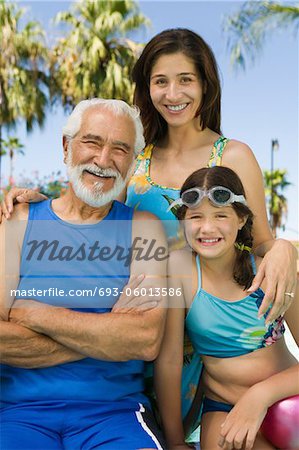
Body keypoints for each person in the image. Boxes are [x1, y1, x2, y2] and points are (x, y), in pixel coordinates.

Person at [2, 28, 296, 322]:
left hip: (204, 328)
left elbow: (259, 242)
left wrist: (283, 248)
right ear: (147, 87)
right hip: (139, 318)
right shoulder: (134, 158)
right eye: (160, 81)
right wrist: (48, 204)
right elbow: (100, 217)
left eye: (186, 80)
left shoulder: (235, 156)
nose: (172, 94)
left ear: (205, 85)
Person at [0, 98, 168, 450]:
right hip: (17, 413)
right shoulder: (18, 221)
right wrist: (107, 331)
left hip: (115, 414)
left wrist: (33, 313)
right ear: (66, 147)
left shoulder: (144, 229)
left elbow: (145, 339)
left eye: (120, 149)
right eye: (92, 142)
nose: (104, 160)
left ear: (132, 161)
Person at [155, 165, 299, 450]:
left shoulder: (274, 271)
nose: (207, 228)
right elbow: (169, 359)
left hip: (288, 402)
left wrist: (261, 395)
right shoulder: (180, 270)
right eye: (196, 217)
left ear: (241, 219)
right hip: (225, 409)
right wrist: (174, 441)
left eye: (220, 216)